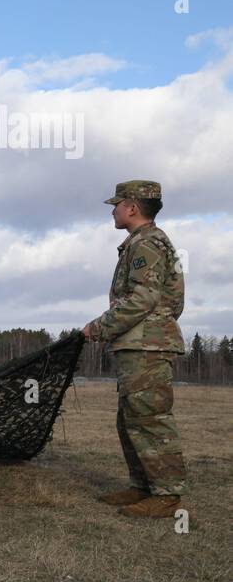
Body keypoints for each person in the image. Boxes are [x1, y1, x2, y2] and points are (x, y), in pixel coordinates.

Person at [82, 180, 187, 519]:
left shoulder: (149, 243)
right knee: (130, 418)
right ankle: (142, 486)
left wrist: (99, 326)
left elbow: (144, 298)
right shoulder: (138, 244)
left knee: (150, 419)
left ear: (132, 208)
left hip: (147, 347)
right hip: (137, 343)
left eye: (117, 204)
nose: (112, 210)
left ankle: (167, 496)